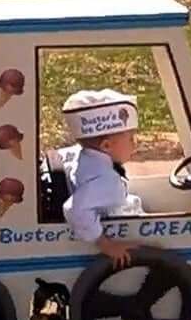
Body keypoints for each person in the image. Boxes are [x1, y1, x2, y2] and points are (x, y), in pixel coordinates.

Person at [62, 89, 145, 269]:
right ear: (106, 146)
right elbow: (73, 209)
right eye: (131, 138)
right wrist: (105, 244)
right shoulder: (107, 180)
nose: (135, 144)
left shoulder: (78, 155)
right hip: (117, 231)